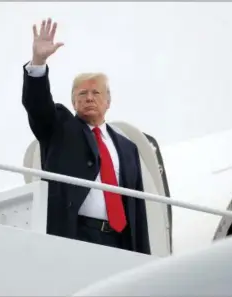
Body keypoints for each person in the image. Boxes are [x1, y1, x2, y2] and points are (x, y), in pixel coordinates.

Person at [21, 18, 151, 255]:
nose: (89, 98)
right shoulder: (60, 128)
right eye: (82, 93)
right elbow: (37, 106)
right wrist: (38, 62)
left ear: (108, 101)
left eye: (95, 92)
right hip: (76, 235)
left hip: (121, 241)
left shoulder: (128, 148)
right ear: (73, 102)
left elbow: (137, 208)